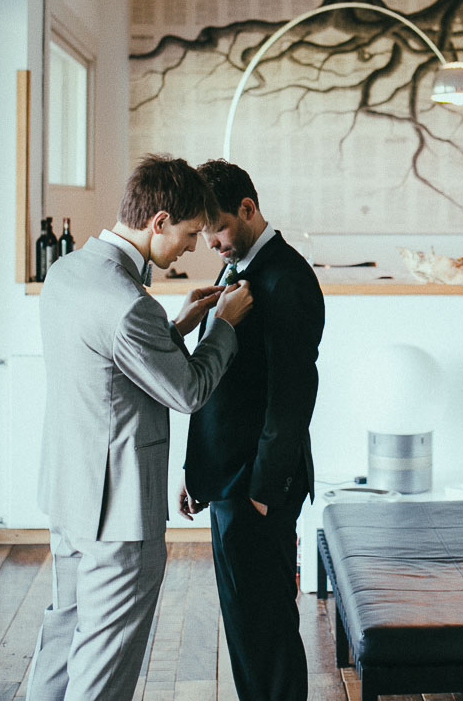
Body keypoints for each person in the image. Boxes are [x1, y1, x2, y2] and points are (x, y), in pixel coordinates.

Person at [31, 154, 253, 701]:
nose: (191, 247)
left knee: (63, 637)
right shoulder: (129, 304)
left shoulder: (69, 272)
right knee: (104, 660)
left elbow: (113, 364)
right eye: (188, 233)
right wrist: (223, 327)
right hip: (119, 513)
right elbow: (187, 391)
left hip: (68, 495)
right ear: (157, 221)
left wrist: (177, 324)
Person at [178, 159, 325, 701]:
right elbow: (215, 383)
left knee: (266, 627)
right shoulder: (232, 267)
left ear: (248, 208)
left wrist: (264, 491)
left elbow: (293, 396)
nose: (210, 243)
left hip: (258, 487)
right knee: (244, 624)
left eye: (216, 227)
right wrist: (197, 470)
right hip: (226, 479)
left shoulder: (288, 278)